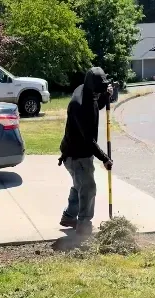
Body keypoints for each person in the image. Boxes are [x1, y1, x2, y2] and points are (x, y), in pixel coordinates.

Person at [58, 67, 114, 235]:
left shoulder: (85, 90)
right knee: (88, 187)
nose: (100, 92)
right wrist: (105, 158)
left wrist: (106, 94)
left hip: (74, 152)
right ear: (92, 87)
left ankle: (69, 217)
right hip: (77, 155)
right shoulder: (80, 105)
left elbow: (96, 104)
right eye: (99, 89)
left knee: (79, 185)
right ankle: (84, 226)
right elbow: (88, 140)